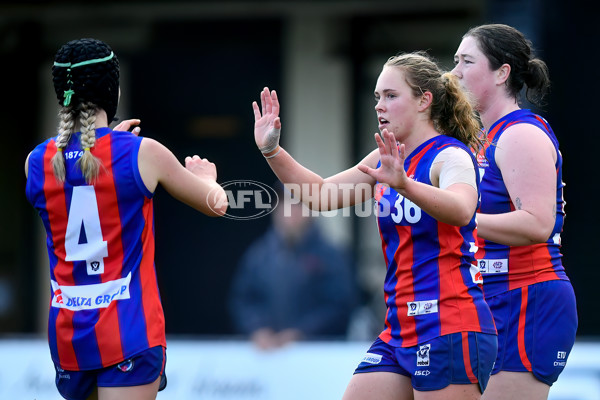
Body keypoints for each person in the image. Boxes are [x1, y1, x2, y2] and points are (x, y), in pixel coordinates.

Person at [252, 51, 497, 400]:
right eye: (377, 97)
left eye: (391, 96)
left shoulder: (450, 155)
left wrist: (404, 185)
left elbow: (461, 209)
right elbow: (320, 196)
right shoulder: (386, 157)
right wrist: (272, 151)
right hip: (399, 327)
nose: (380, 106)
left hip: (449, 322)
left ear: (424, 100)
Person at [25, 38, 228, 400]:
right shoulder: (142, 153)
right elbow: (217, 204)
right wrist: (207, 178)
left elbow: (83, 179)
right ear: (113, 91)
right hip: (129, 332)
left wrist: (110, 151)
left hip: (69, 334)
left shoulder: (35, 163)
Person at [451, 24, 577, 400]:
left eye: (467, 61)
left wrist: (457, 216)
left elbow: (538, 223)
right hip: (486, 301)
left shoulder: (520, 133)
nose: (454, 71)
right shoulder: (474, 137)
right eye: (455, 60)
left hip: (528, 300)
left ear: (502, 73)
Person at [228, 182, 356, 350]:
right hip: (266, 356)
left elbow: (340, 306)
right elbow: (242, 299)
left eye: (298, 204)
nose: (290, 211)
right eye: (285, 203)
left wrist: (301, 333)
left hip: (318, 356)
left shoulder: (331, 255)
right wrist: (257, 329)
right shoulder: (259, 255)